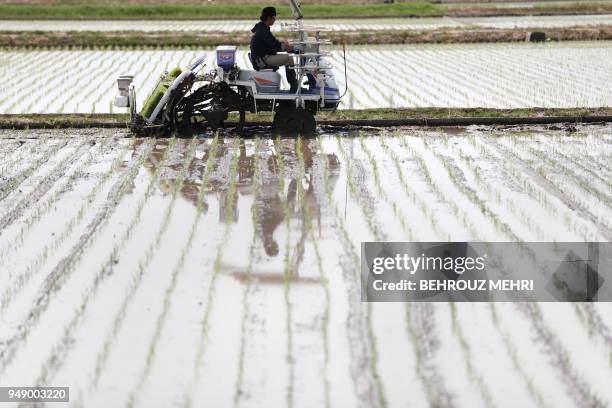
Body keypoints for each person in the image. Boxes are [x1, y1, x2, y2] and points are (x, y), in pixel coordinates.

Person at [250, 6, 299, 92]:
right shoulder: (263, 30)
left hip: (261, 58)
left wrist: (285, 45)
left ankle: (294, 86)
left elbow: (272, 43)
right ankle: (294, 86)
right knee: (289, 59)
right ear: (269, 17)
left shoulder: (261, 28)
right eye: (274, 17)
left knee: (288, 57)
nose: (275, 19)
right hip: (263, 60)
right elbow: (275, 46)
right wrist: (294, 48)